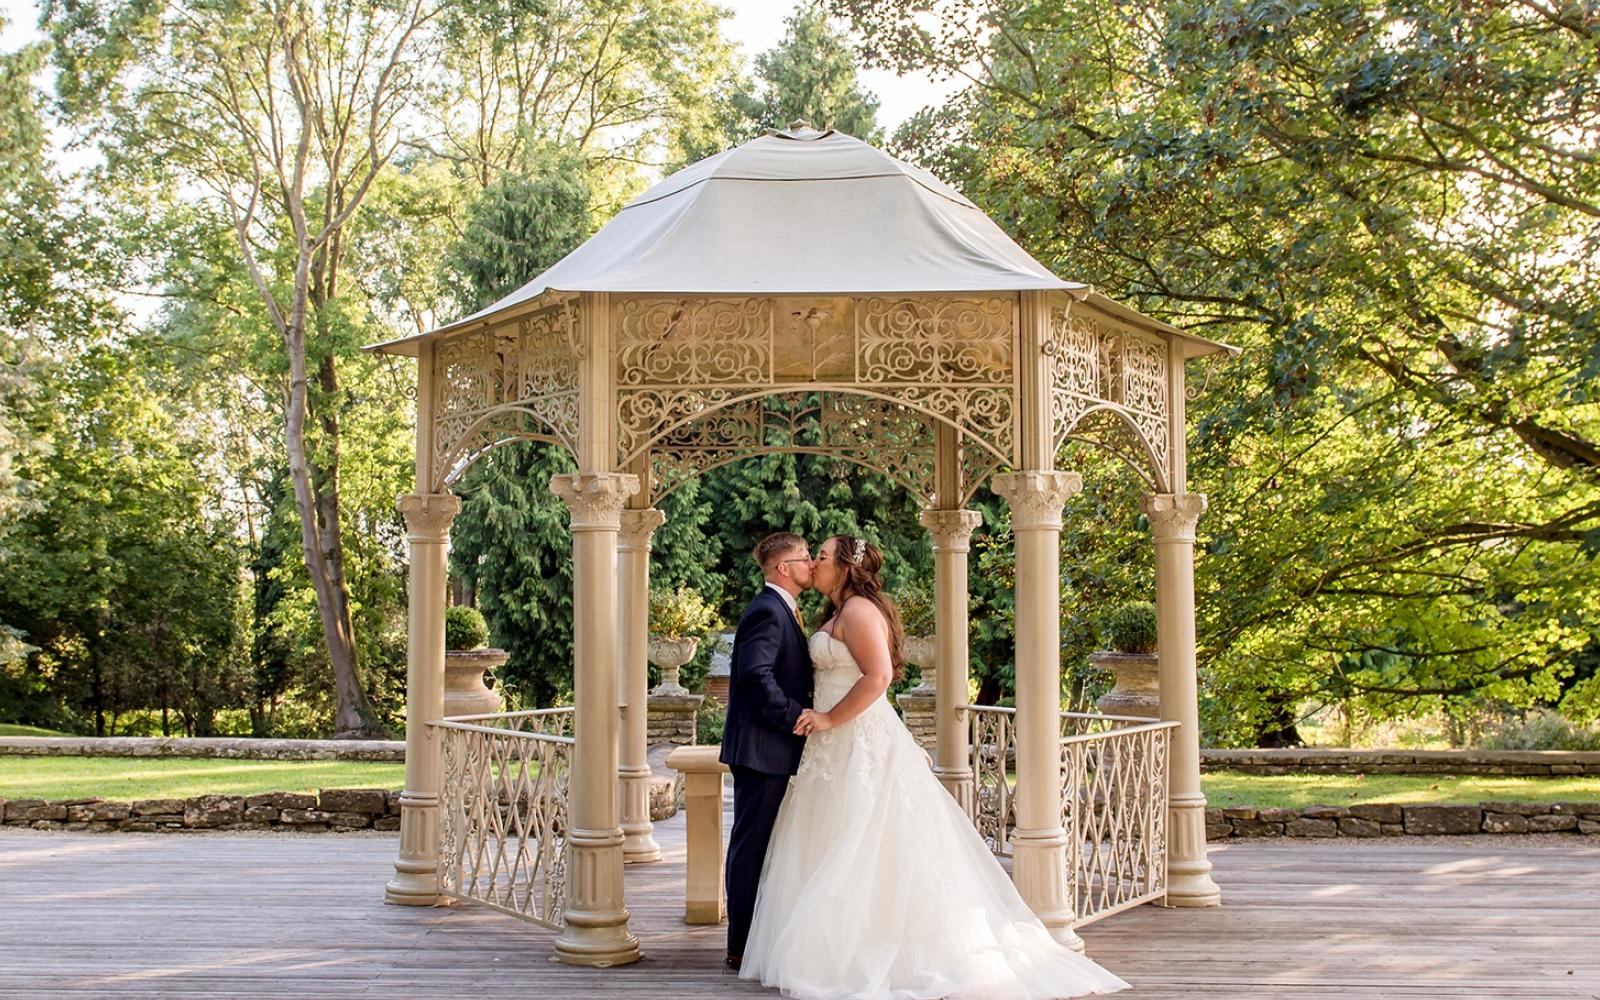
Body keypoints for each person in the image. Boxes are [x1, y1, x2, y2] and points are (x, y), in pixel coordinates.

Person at [739, 534, 1129, 999]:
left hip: (856, 739)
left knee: (867, 839)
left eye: (821, 557)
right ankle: (827, 945)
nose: (815, 564)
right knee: (832, 839)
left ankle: (872, 951)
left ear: (845, 567)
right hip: (832, 747)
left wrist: (827, 718)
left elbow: (878, 677)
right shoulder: (837, 613)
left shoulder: (861, 612)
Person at [719, 531, 816, 973]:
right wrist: (794, 716)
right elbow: (756, 677)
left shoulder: (783, 610)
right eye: (805, 558)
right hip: (762, 749)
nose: (811, 564)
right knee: (751, 847)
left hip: (770, 750)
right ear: (784, 568)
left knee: (759, 845)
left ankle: (752, 938)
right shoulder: (767, 612)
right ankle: (739, 945)